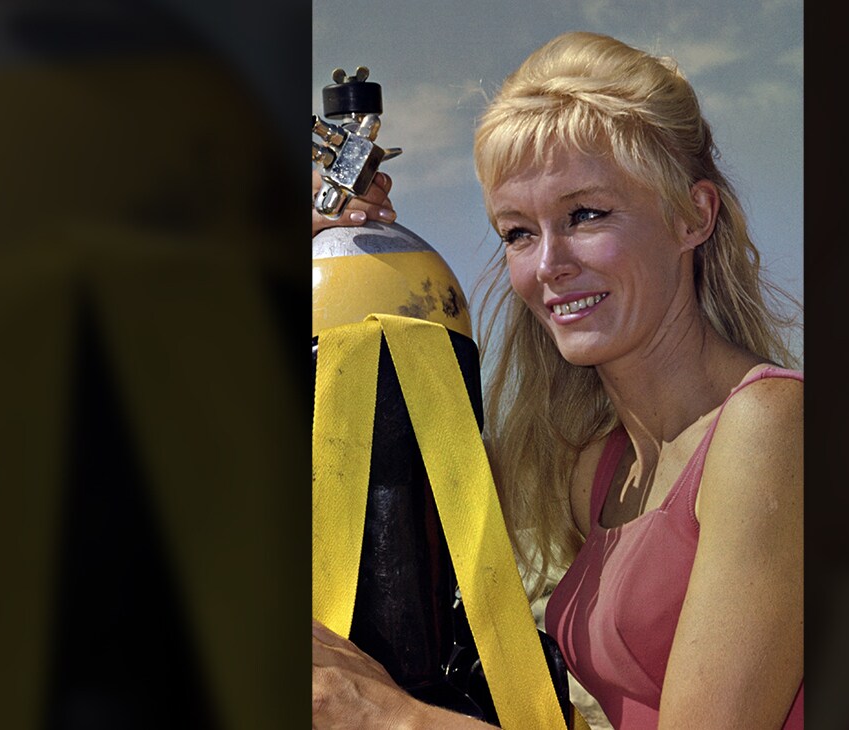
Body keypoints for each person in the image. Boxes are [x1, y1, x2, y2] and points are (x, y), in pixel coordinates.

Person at [312, 32, 804, 729]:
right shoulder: (594, 469)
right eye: (518, 232)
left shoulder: (770, 427)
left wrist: (389, 718)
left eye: (585, 215)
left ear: (695, 214)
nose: (548, 265)